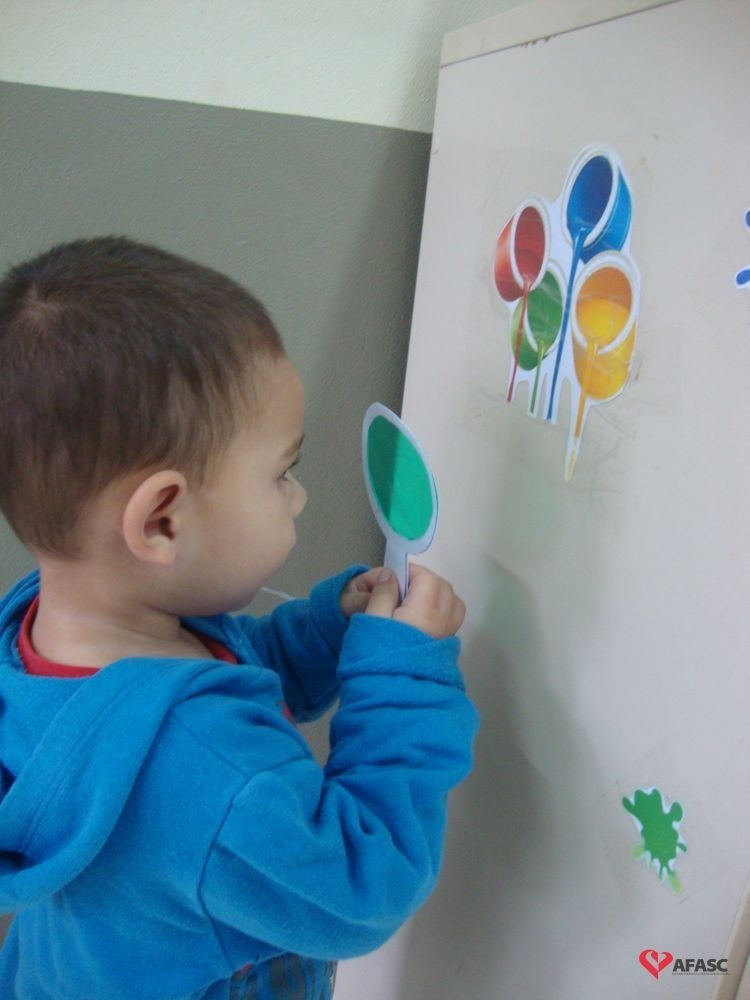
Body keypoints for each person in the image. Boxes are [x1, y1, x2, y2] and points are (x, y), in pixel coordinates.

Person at [0, 237, 478, 999]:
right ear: (162, 521)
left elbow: (224, 674)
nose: (299, 496)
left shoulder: (49, 632)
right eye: (282, 473)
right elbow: (361, 883)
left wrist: (328, 631)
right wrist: (401, 685)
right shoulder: (211, 772)